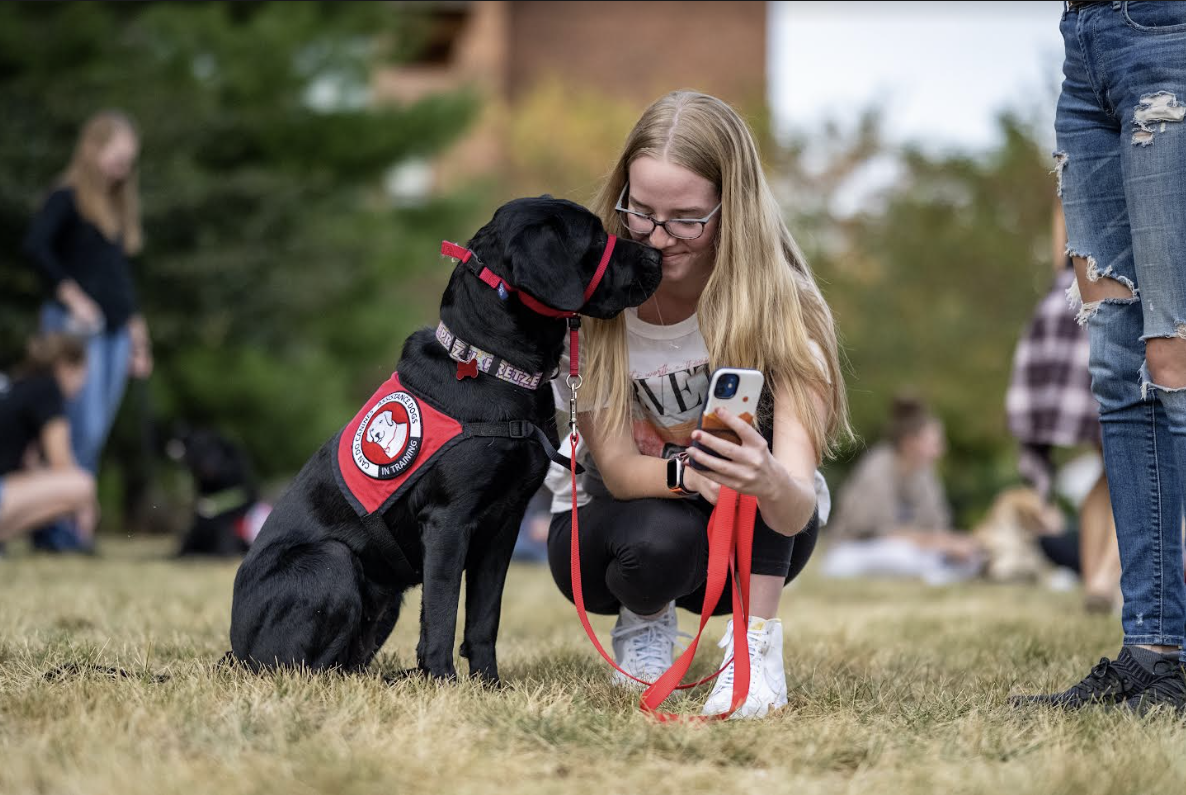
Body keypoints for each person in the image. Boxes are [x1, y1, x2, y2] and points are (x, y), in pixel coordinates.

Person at [544, 90, 850, 719]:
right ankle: (644, 621)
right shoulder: (598, 305)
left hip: (760, 534)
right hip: (608, 530)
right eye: (641, 212)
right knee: (658, 538)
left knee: (759, 481)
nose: (657, 239)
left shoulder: (785, 310)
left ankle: (756, 649)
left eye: (686, 219)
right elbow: (624, 473)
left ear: (731, 211)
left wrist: (764, 478)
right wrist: (693, 472)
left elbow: (793, 506)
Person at [1014, 1, 1186, 712]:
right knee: (1119, 370)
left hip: (1166, 35)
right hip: (1084, 50)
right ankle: (1154, 651)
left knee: (1175, 358)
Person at [22, 110, 153, 546]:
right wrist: (72, 296)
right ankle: (54, 526)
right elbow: (36, 247)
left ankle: (75, 529)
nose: (124, 168)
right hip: (78, 331)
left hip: (116, 332)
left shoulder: (115, 209)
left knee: (95, 434)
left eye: (129, 160)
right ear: (94, 148)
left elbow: (117, 278)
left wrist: (136, 331)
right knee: (78, 427)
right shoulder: (67, 198)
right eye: (118, 156)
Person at [1005, 199, 1120, 612]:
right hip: (1112, 307)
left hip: (1066, 307)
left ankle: (1096, 582)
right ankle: (1105, 580)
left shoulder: (1076, 173)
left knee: (1113, 461)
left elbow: (1061, 259)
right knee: (1137, 462)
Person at [820, 395, 984, 585]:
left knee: (966, 557)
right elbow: (882, 533)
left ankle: (938, 574)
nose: (940, 450)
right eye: (934, 442)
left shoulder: (924, 474)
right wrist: (945, 543)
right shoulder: (878, 468)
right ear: (909, 442)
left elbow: (936, 526)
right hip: (852, 552)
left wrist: (956, 544)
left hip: (909, 551)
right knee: (902, 554)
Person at [0, 333, 97, 545]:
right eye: (83, 374)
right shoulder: (48, 389)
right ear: (65, 367)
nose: (82, 385)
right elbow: (61, 463)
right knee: (81, 485)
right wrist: (87, 507)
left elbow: (28, 464)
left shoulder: (18, 385)